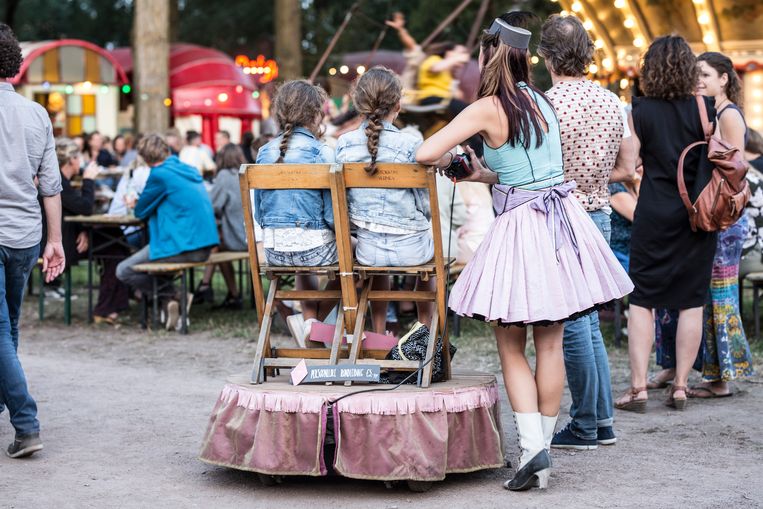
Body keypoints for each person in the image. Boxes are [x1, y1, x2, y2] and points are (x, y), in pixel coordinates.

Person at [416, 18, 632, 490]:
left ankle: (530, 451)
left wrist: (457, 162)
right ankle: (543, 457)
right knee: (551, 341)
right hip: (561, 225)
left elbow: (425, 151)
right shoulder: (541, 103)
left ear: (489, 57)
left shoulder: (485, 108)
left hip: (519, 231)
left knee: (511, 343)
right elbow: (525, 171)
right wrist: (482, 175)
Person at [537, 14, 636, 450]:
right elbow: (627, 168)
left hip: (561, 214)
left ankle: (585, 424)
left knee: (572, 323)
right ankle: (602, 420)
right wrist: (594, 179)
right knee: (588, 320)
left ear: (545, 55)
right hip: (598, 212)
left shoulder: (546, 104)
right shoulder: (614, 102)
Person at [614, 36, 719, 413]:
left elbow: (630, 164)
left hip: (654, 211)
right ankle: (679, 386)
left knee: (642, 300)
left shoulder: (639, 110)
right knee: (691, 301)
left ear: (651, 69)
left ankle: (639, 387)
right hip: (698, 214)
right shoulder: (707, 108)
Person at [651, 52, 755, 398]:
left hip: (722, 217)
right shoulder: (705, 113)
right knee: (690, 292)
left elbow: (734, 172)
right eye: (695, 74)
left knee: (717, 296)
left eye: (706, 75)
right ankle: (676, 365)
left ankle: (720, 378)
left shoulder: (727, 115)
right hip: (706, 213)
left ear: (724, 78)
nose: (699, 80)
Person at [0, 22, 66, 458]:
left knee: (2, 330)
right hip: (26, 232)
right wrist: (55, 240)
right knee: (9, 327)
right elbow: (52, 186)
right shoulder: (36, 113)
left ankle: (26, 423)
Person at [336, 67, 435, 334]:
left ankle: (379, 334)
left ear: (358, 103)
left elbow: (343, 204)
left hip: (369, 252)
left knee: (379, 266)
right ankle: (426, 333)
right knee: (432, 257)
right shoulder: (411, 144)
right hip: (413, 250)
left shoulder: (344, 144)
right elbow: (426, 207)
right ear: (398, 104)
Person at [255, 80, 338, 345]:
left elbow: (259, 213)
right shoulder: (321, 151)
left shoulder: (264, 152)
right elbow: (333, 216)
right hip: (313, 249)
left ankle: (309, 323)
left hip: (274, 251)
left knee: (305, 264)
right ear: (316, 113)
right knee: (365, 260)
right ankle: (312, 324)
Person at [116, 134, 219, 330]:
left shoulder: (159, 175)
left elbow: (140, 212)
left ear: (145, 158)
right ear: (167, 150)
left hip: (182, 245)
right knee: (156, 262)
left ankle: (173, 295)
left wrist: (134, 202)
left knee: (123, 270)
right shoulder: (188, 169)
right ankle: (169, 305)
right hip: (205, 245)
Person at [194, 143, 248, 310]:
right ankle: (232, 295)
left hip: (238, 237)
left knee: (215, 243)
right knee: (218, 245)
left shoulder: (224, 176)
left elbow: (213, 206)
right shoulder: (245, 173)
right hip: (252, 238)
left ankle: (205, 285)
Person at [608, 167, 642, 272]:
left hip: (629, 252)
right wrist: (638, 182)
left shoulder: (628, 186)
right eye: (637, 166)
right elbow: (639, 216)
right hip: (618, 253)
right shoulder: (614, 187)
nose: (641, 168)